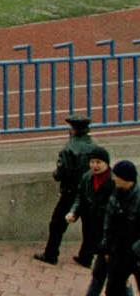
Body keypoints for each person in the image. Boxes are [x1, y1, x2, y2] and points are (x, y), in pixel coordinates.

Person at [39, 115, 108, 265]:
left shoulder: (68, 148)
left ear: (72, 130)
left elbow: (60, 173)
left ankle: (51, 254)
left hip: (70, 191)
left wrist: (56, 174)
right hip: (91, 190)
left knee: (57, 224)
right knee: (89, 226)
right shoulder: (96, 147)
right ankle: (86, 257)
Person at [90, 162, 140, 296]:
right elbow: (109, 222)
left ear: (126, 179)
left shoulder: (138, 198)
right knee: (113, 289)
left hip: (134, 252)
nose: (113, 178)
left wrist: (134, 253)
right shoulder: (116, 193)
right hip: (118, 251)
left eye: (116, 176)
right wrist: (106, 247)